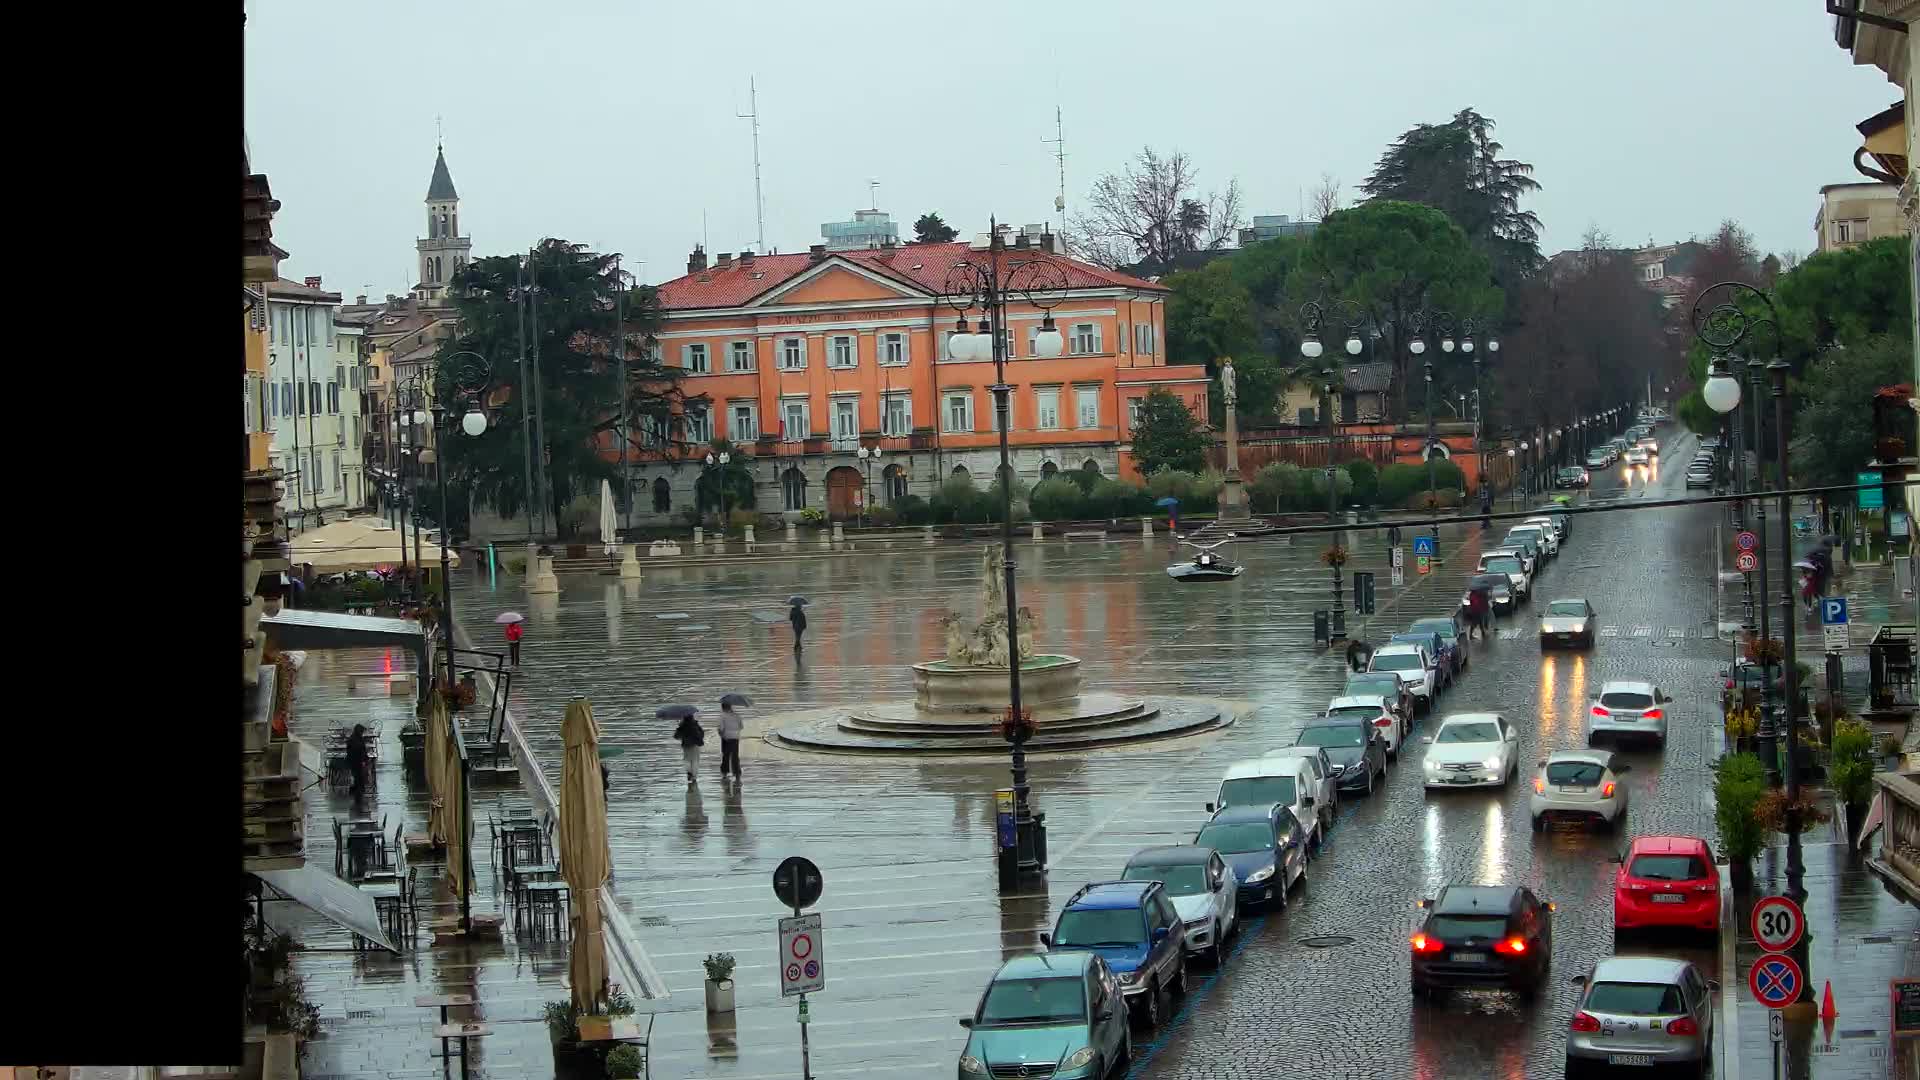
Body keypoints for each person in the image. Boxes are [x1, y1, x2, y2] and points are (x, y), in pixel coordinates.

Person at [672, 713, 706, 785]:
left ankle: (689, 772)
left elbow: (676, 736)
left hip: (686, 745)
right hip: (695, 744)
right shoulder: (695, 724)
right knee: (695, 760)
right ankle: (694, 777)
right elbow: (702, 733)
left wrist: (679, 727)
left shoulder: (682, 726)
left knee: (687, 759)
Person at [717, 700, 744, 780]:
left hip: (726, 738)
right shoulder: (737, 715)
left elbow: (721, 728)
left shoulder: (722, 716)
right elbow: (741, 726)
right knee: (735, 755)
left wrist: (720, 732)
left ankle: (725, 772)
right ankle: (737, 772)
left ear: (723, 707)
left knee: (726, 755)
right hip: (735, 738)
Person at [346, 723, 370, 795]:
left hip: (354, 760)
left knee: (358, 775)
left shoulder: (354, 738)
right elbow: (360, 750)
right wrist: (364, 760)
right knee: (358, 775)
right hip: (356, 761)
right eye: (362, 731)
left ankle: (357, 789)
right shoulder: (356, 739)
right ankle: (358, 790)